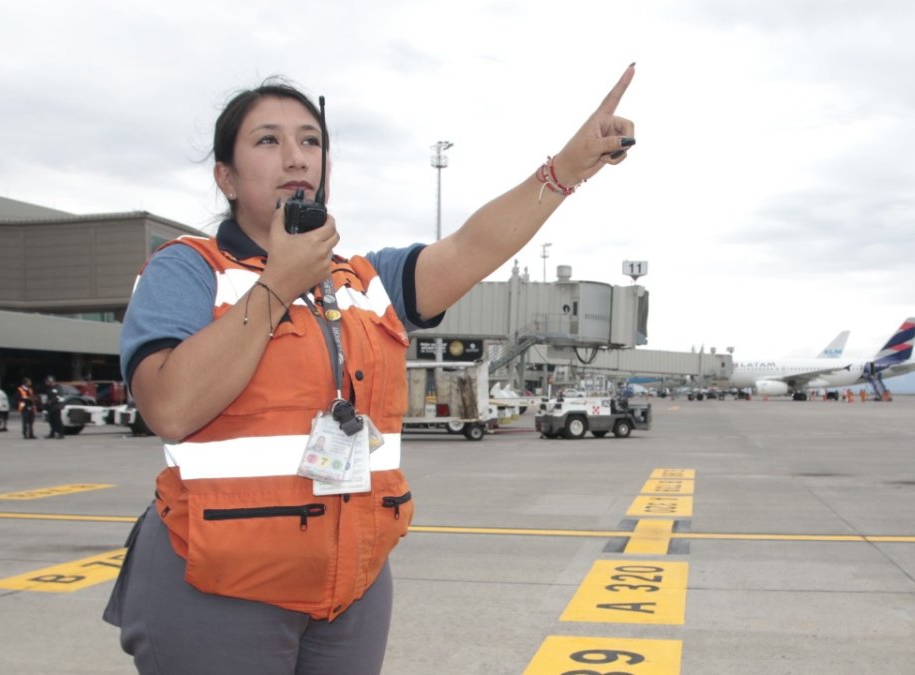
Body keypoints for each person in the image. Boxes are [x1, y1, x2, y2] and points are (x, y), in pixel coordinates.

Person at [103, 66, 636, 675]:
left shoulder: (362, 281)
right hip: (219, 578)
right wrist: (279, 282)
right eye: (268, 140)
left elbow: (469, 249)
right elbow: (168, 406)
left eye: (310, 140)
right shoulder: (189, 269)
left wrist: (564, 170)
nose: (296, 157)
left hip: (349, 584)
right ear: (225, 175)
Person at [43, 375, 65, 439]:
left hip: (57, 406)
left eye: (47, 381)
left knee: (57, 420)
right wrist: (45, 406)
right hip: (50, 407)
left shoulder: (58, 387)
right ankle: (52, 433)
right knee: (51, 421)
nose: (46, 383)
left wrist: (52, 401)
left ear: (51, 381)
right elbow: (47, 397)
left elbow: (59, 396)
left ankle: (61, 433)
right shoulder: (48, 388)